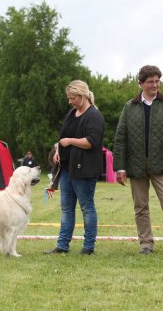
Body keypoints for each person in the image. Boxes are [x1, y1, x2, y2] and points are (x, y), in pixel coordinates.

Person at [113, 65, 163, 257]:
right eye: (150, 81)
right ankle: (145, 244)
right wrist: (120, 167)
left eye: (157, 81)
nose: (155, 85)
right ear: (141, 84)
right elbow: (120, 138)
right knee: (141, 208)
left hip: (162, 166)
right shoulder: (129, 107)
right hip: (136, 166)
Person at [43, 80, 105, 256]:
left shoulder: (94, 116)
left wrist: (70, 142)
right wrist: (58, 150)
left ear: (83, 95)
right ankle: (62, 246)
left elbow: (91, 142)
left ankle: (88, 247)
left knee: (87, 207)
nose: (70, 101)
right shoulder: (72, 113)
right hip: (66, 169)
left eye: (73, 98)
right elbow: (62, 137)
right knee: (66, 208)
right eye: (69, 98)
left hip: (84, 170)